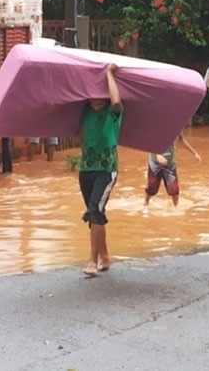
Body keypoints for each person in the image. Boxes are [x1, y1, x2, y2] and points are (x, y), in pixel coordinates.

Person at [79, 63, 123, 277]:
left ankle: (92, 260)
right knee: (95, 213)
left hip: (107, 169)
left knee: (94, 209)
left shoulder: (113, 113)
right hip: (86, 168)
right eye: (92, 95)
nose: (96, 99)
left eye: (99, 95)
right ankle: (105, 258)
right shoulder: (84, 112)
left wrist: (108, 73)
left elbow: (115, 100)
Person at [144, 130, 201, 207]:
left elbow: (182, 140)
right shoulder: (157, 125)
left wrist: (194, 153)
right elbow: (150, 141)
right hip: (155, 163)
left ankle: (175, 208)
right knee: (151, 188)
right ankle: (146, 202)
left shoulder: (176, 126)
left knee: (174, 190)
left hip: (170, 163)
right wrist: (158, 155)